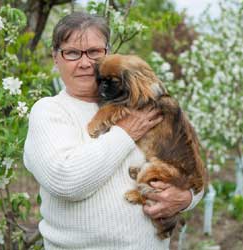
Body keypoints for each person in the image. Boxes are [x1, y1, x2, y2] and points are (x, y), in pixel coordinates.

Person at [23, 11, 204, 250]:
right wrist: (125, 133)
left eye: (94, 52)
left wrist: (186, 198)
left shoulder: (147, 105)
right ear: (56, 57)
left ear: (108, 54)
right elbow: (65, 181)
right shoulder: (49, 111)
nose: (85, 62)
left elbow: (191, 166)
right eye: (72, 53)